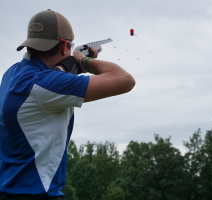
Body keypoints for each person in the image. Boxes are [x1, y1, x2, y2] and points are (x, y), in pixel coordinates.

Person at [0, 9, 135, 200]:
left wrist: (68, 68)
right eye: (70, 48)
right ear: (64, 47)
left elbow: (51, 82)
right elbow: (125, 80)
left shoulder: (11, 74)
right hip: (38, 194)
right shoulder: (43, 84)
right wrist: (83, 60)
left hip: (8, 190)